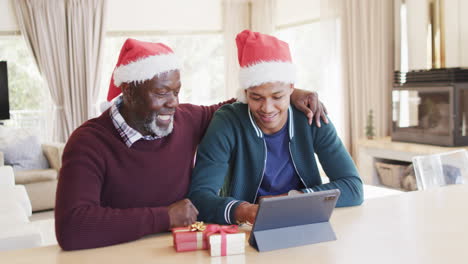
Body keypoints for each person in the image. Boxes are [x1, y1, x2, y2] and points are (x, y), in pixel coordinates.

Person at [55, 38, 328, 250]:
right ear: (128, 92)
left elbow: (238, 106)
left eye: (176, 91)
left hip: (182, 249)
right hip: (119, 253)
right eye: (162, 93)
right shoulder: (88, 142)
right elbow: (72, 227)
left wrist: (290, 93)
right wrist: (164, 217)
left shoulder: (184, 119)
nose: (173, 102)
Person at [188, 30, 364, 225]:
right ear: (245, 92)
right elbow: (199, 198)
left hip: (305, 221)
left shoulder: (311, 117)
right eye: (256, 97)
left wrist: (292, 199)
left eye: (277, 97)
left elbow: (353, 187)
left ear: (292, 88)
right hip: (245, 230)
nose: (267, 108)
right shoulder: (227, 122)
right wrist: (245, 211)